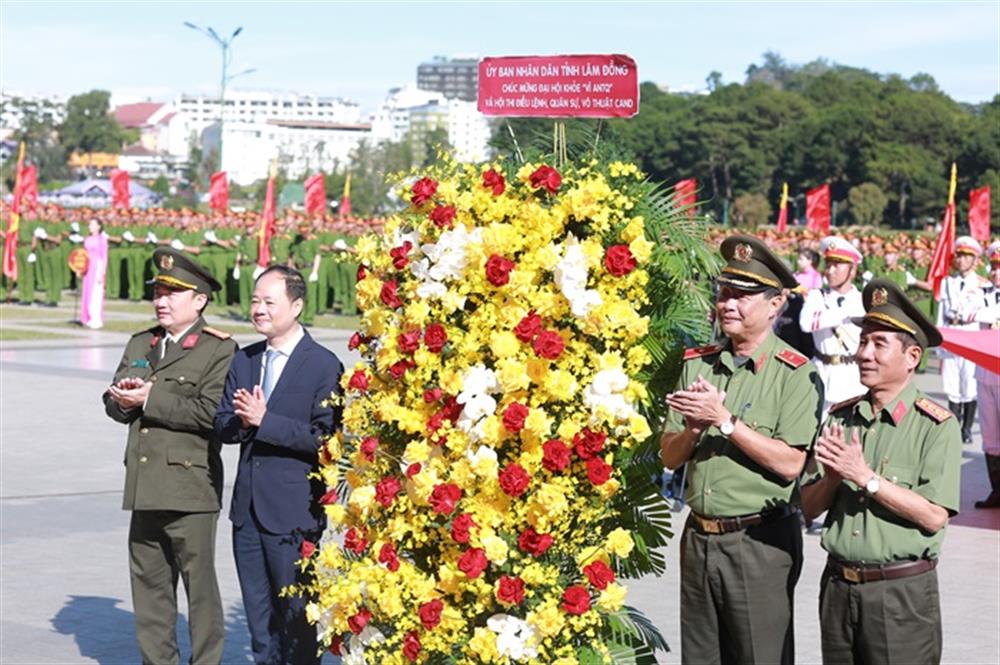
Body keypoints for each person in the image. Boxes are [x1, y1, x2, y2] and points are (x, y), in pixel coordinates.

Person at [660, 234, 823, 665]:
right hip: (699, 537)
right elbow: (668, 457)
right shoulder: (698, 362)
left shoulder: (795, 374)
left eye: (742, 296)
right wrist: (694, 430)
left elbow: (791, 464)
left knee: (759, 656)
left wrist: (726, 422)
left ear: (774, 305)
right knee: (701, 656)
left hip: (759, 541)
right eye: (724, 294)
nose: (727, 304)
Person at [802, 278, 961, 665]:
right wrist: (833, 479)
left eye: (879, 344)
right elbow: (806, 507)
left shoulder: (935, 425)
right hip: (839, 589)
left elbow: (933, 515)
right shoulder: (842, 417)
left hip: (900, 595)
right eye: (862, 342)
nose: (864, 354)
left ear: (912, 357)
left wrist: (867, 478)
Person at [102, 248, 236, 665]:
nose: (161, 300)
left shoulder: (218, 349)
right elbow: (114, 403)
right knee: (151, 591)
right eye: (158, 291)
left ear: (199, 300)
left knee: (200, 594)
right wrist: (122, 401)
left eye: (173, 292)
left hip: (189, 489)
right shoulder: (142, 342)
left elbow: (210, 414)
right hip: (144, 487)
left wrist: (150, 397)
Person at [215, 265, 343, 664]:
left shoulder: (322, 365)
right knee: (260, 622)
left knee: (296, 619)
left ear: (297, 305)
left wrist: (265, 421)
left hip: (293, 515)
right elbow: (222, 422)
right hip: (248, 514)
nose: (258, 309)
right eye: (255, 300)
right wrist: (241, 420)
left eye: (268, 302)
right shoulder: (246, 359)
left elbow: (328, 442)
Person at [799, 236, 866, 419]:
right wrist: (843, 313)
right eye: (828, 265)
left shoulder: (861, 300)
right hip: (821, 371)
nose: (830, 271)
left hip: (851, 374)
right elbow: (806, 323)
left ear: (852, 271)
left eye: (837, 265)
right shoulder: (817, 296)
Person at [937, 235, 987, 442]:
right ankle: (954, 426)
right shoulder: (948, 282)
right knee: (951, 384)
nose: (962, 260)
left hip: (971, 336)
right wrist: (940, 341)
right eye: (960, 256)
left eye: (968, 256)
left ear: (975, 260)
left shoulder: (982, 284)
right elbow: (941, 313)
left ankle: (966, 429)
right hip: (952, 335)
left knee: (969, 384)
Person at [964, 240, 1000, 508]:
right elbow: (967, 313)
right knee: (989, 436)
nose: (997, 273)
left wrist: (988, 313)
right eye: (995, 266)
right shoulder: (982, 292)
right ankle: (996, 488)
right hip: (985, 372)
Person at [81, 218, 109, 329]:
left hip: (97, 266)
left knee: (96, 293)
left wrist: (102, 272)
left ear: (98, 226)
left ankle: (96, 318)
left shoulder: (102, 239)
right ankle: (87, 316)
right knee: (87, 292)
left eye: (93, 224)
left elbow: (104, 256)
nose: (90, 226)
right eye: (90, 224)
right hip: (88, 267)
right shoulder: (87, 239)